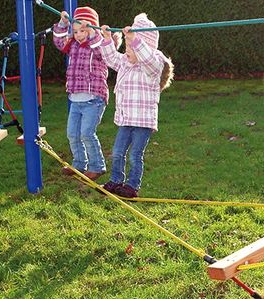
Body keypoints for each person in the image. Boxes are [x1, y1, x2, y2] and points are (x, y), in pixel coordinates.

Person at [99, 13, 174, 198]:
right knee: (117, 153)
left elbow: (147, 58)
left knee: (134, 156)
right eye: (127, 48)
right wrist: (107, 39)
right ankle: (116, 180)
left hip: (143, 121)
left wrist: (135, 41)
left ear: (143, 47)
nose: (127, 52)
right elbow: (111, 59)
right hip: (126, 119)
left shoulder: (154, 64)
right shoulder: (126, 61)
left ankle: (132, 186)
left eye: (131, 49)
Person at [52, 7, 116, 180]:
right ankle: (79, 164)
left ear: (92, 30)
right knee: (72, 134)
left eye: (83, 31)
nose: (79, 35)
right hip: (75, 99)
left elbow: (101, 50)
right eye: (76, 31)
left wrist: (94, 33)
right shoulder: (72, 44)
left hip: (93, 99)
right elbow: (58, 41)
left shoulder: (99, 46)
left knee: (86, 134)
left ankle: (97, 166)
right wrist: (63, 23)